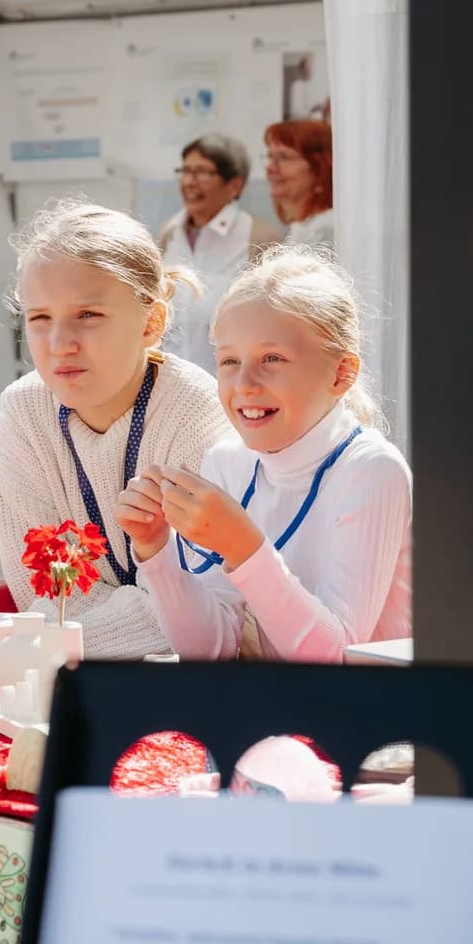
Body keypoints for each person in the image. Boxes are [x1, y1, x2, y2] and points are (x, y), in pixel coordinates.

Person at [117, 245, 411, 662]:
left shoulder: (371, 470)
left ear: (341, 374)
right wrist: (155, 551)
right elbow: (211, 649)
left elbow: (334, 658)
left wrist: (243, 546)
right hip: (274, 710)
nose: (245, 382)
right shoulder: (226, 461)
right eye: (230, 360)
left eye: (272, 358)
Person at [0, 200, 232, 661]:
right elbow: (38, 592)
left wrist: (56, 641)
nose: (60, 344)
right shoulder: (21, 412)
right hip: (71, 682)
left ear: (152, 322)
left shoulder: (196, 413)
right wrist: (136, 611)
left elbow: (193, 610)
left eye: (88, 315)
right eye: (39, 318)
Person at [156, 133, 281, 367]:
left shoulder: (259, 237)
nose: (190, 182)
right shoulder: (169, 233)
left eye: (203, 172)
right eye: (185, 171)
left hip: (230, 386)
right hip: (172, 381)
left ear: (235, 185)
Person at [265, 118, 335, 251]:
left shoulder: (323, 231)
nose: (270, 168)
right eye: (270, 157)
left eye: (283, 157)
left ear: (320, 169)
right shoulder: (305, 227)